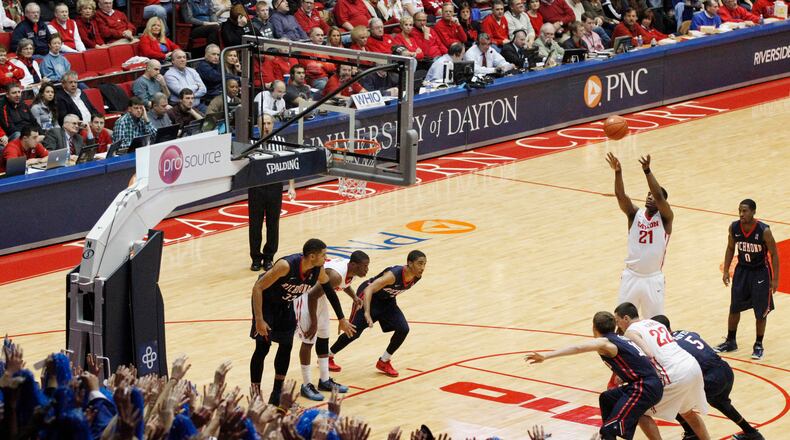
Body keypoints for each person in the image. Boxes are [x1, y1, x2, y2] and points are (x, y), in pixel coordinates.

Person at [525, 311, 663, 440]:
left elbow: (578, 348)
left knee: (608, 430)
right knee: (607, 398)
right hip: (645, 384)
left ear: (594, 328)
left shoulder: (605, 342)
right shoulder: (620, 338)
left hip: (644, 387)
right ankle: (610, 433)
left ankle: (609, 431)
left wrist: (546, 356)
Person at [651, 315, 765, 440]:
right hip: (725, 370)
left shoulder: (669, 346)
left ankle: (691, 433)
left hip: (711, 378)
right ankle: (752, 433)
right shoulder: (684, 332)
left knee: (673, 399)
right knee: (720, 402)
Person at [249, 238, 332, 404]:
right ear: (312, 256)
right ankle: (255, 395)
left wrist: (342, 317)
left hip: (285, 305)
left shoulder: (318, 270)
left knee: (286, 346)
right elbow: (258, 287)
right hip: (267, 304)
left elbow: (328, 288)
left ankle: (277, 393)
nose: (326, 257)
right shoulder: (286, 266)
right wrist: (259, 319)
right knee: (262, 348)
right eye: (324, 254)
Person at [614, 302, 711, 440]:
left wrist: (624, 376)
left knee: (639, 411)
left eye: (618, 322)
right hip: (692, 366)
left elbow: (648, 355)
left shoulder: (631, 332)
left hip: (674, 374)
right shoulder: (655, 323)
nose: (619, 326)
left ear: (626, 318)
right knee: (687, 412)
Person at [328, 250, 427, 377]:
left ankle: (384, 361)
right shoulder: (393, 275)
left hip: (387, 301)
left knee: (403, 329)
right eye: (420, 263)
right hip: (368, 297)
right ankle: (328, 356)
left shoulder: (416, 277)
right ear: (409, 263)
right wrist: (367, 313)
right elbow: (369, 289)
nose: (422, 267)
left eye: (424, 264)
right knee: (353, 332)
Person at [606, 153, 673, 319]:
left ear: (663, 202)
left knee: (655, 324)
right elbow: (621, 196)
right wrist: (618, 172)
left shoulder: (666, 218)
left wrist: (647, 171)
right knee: (622, 322)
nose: (650, 197)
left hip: (653, 278)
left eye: (654, 195)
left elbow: (659, 195)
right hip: (631, 276)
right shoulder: (634, 214)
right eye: (648, 194)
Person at [295, 253, 368, 400]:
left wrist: (353, 297)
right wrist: (313, 322)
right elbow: (312, 295)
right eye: (365, 266)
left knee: (324, 336)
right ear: (354, 265)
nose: (367, 269)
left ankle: (324, 380)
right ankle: (306, 385)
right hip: (306, 297)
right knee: (309, 340)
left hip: (319, 298)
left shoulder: (351, 269)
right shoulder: (336, 275)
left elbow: (343, 284)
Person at [714, 199, 779, 360]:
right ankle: (731, 341)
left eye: (745, 211)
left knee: (760, 312)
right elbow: (730, 248)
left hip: (760, 273)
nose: (741, 214)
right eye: (740, 211)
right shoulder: (734, 227)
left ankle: (758, 344)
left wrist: (775, 279)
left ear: (753, 212)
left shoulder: (764, 230)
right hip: (742, 271)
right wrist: (727, 270)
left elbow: (775, 254)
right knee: (734, 307)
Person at [247, 113, 294, 271]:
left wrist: (291, 186)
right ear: (257, 126)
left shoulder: (280, 142)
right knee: (255, 225)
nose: (266, 126)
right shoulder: (250, 142)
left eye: (269, 123)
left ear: (273, 125)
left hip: (275, 187)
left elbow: (289, 164)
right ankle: (255, 258)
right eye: (263, 123)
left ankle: (269, 257)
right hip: (256, 188)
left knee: (273, 224)